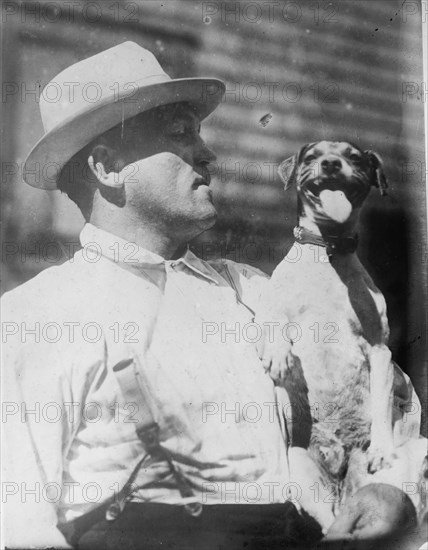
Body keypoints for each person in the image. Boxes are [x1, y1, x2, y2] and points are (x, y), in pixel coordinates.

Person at [2, 41, 424, 550]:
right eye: (180, 135)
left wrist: (395, 492)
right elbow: (17, 526)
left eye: (198, 133)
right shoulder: (38, 318)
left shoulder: (259, 294)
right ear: (106, 167)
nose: (207, 152)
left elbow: (385, 402)